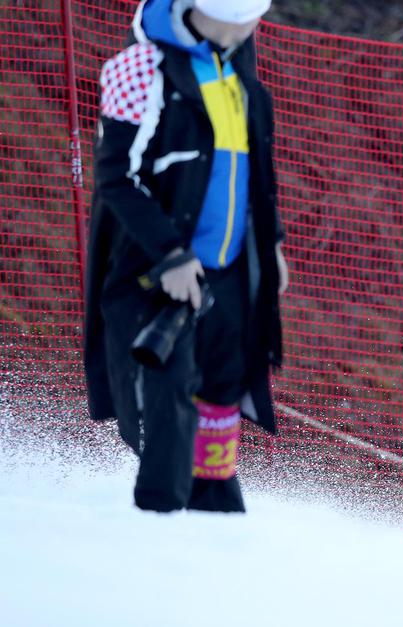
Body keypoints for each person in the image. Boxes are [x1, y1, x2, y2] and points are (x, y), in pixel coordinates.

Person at [83, 0, 288, 513]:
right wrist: (172, 258)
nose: (252, 26)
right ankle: (162, 519)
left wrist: (272, 244)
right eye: (244, 16)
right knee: (168, 395)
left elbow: (252, 169)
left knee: (225, 385)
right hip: (160, 272)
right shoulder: (140, 69)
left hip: (231, 267)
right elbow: (117, 178)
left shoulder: (234, 62)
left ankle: (214, 510)